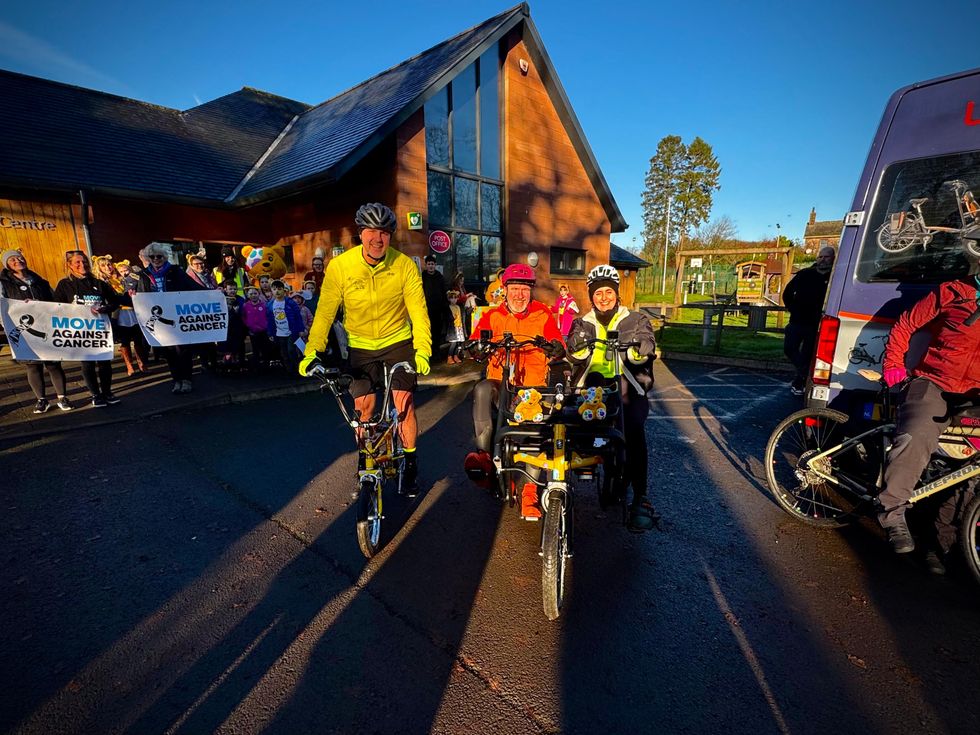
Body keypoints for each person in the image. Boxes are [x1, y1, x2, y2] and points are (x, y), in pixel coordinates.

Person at [299, 202, 431, 496]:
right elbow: (324, 313)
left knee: (403, 404)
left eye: (384, 232)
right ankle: (366, 456)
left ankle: (409, 460)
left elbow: (419, 314)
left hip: (397, 342)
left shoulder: (404, 266)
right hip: (360, 345)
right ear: (360, 233)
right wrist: (313, 351)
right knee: (363, 411)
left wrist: (422, 350)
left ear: (391, 236)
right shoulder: (341, 267)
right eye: (371, 231)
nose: (377, 238)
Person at [877, 274, 980, 569]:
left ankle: (941, 542)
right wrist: (894, 363)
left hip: (974, 392)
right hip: (933, 381)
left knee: (972, 467)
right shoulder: (954, 291)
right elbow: (906, 323)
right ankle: (892, 513)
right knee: (916, 434)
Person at [462, 262, 564, 518]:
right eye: (514, 288)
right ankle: (485, 458)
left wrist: (556, 348)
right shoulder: (492, 316)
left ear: (531, 291)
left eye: (524, 289)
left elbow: (558, 344)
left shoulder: (542, 314)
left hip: (532, 386)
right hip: (499, 382)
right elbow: (476, 343)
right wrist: (473, 349)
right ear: (504, 289)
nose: (519, 294)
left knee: (535, 432)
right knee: (482, 390)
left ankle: (529, 490)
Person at [566, 265, 659, 531]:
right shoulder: (582, 322)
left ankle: (641, 496)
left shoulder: (636, 320)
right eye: (598, 293)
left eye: (609, 292)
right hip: (590, 387)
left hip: (627, 384)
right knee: (565, 426)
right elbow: (576, 353)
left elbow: (644, 344)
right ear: (591, 296)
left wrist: (642, 348)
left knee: (633, 428)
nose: (604, 297)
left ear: (617, 294)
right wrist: (575, 346)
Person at [0, 249, 74, 412]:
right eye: (12, 259)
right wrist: (7, 325)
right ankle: (41, 400)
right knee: (33, 365)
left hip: (45, 326)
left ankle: (62, 398)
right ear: (7, 264)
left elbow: (55, 302)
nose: (18, 260)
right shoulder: (3, 283)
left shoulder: (40, 281)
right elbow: (1, 307)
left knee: (53, 363)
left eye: (20, 257)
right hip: (23, 330)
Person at [54, 250, 125, 407]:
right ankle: (96, 395)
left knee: (104, 362)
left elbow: (114, 302)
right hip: (80, 332)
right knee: (88, 364)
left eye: (84, 261)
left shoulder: (99, 283)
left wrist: (105, 308)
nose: (82, 265)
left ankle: (107, 392)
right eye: (77, 262)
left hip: (100, 330)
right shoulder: (65, 285)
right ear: (70, 265)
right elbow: (55, 306)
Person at [135, 241, 204, 394]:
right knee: (169, 352)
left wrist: (213, 293)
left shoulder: (175, 271)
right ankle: (176, 380)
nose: (156, 259)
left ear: (165, 257)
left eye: (159, 256)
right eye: (152, 257)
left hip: (177, 316)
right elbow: (140, 296)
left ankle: (186, 379)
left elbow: (193, 286)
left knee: (182, 349)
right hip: (159, 319)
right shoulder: (144, 275)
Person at [782, 247, 835, 395]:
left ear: (833, 259)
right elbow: (787, 293)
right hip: (797, 319)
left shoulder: (834, 278)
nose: (822, 260)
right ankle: (805, 372)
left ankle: (799, 383)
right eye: (820, 257)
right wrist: (793, 308)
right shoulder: (805, 274)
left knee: (808, 352)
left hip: (816, 323)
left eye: (826, 257)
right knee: (789, 348)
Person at [114, 259, 149, 375]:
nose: (124, 273)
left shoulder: (134, 278)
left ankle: (141, 363)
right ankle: (129, 365)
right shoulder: (116, 282)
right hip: (121, 313)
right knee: (125, 341)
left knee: (138, 339)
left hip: (134, 312)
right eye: (121, 271)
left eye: (126, 270)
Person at [267, 279, 304, 373]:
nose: (277, 291)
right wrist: (270, 333)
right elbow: (270, 320)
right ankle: (289, 370)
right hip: (279, 332)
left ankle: (297, 368)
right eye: (274, 289)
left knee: (291, 350)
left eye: (279, 289)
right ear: (271, 291)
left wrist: (301, 329)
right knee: (284, 352)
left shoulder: (290, 303)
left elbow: (298, 317)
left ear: (284, 290)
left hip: (291, 331)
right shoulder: (270, 305)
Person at [421, 254, 450, 358]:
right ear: (426, 265)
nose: (430, 266)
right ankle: (427, 351)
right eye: (429, 264)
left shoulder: (439, 276)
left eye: (432, 264)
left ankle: (436, 351)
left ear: (435, 265)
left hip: (438, 309)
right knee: (427, 330)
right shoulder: (423, 276)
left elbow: (444, 291)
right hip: (427, 309)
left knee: (437, 331)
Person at [241, 285, 271, 368]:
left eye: (255, 293)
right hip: (253, 332)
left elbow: (268, 317)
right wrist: (248, 326)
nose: (253, 295)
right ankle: (257, 367)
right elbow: (244, 317)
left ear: (259, 294)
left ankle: (266, 365)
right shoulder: (245, 306)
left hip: (264, 331)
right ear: (247, 295)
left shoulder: (264, 305)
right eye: (251, 294)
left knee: (265, 349)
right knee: (255, 349)